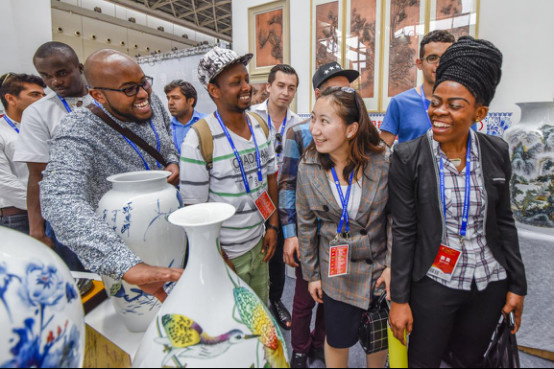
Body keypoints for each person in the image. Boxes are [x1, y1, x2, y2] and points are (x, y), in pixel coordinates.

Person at [388, 36, 527, 367]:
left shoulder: (496, 151)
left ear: (480, 112)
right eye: (436, 102)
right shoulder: (409, 156)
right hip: (435, 282)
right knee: (424, 360)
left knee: (469, 360)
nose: (439, 112)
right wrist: (399, 300)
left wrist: (517, 285)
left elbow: (504, 221)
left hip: (488, 281)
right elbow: (404, 230)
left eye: (454, 105)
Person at [40, 49, 182, 301]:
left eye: (143, 82)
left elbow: (167, 139)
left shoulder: (152, 101)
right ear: (98, 95)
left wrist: (171, 161)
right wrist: (122, 262)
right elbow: (59, 199)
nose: (142, 94)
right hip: (125, 248)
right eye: (129, 89)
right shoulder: (78, 130)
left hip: (169, 231)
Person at [297, 87, 391, 368]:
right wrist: (312, 274)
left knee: (377, 338)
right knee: (337, 338)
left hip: (377, 268)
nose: (315, 129)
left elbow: (395, 219)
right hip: (335, 271)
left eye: (325, 121)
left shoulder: (383, 161)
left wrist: (391, 266)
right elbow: (305, 225)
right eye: (314, 119)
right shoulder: (309, 166)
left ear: (351, 129)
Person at [180, 47, 280, 305]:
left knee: (260, 313)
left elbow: (270, 179)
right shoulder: (199, 139)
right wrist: (219, 259)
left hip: (259, 244)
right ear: (214, 91)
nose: (246, 87)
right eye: (236, 83)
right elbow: (195, 213)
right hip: (225, 255)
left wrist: (272, 226)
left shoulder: (260, 124)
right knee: (232, 323)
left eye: (245, 79)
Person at [278, 61, 359, 368]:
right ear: (316, 93)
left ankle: (320, 344)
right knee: (302, 299)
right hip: (308, 233)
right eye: (334, 88)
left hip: (341, 234)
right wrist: (290, 234)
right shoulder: (299, 132)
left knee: (333, 297)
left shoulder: (355, 129)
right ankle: (299, 348)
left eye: (346, 88)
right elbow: (287, 183)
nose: (342, 94)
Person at [14, 42, 93, 270]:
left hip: (111, 210)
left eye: (62, 73)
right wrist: (36, 229)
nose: (54, 82)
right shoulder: (37, 113)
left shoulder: (105, 100)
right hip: (67, 221)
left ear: (79, 67)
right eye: (46, 76)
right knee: (86, 289)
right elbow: (38, 175)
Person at [252, 64, 304, 331]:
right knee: (253, 250)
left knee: (278, 251)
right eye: (281, 86)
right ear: (269, 87)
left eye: (291, 87)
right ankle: (253, 301)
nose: (286, 92)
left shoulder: (300, 123)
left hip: (284, 198)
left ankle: (275, 299)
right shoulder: (250, 118)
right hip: (255, 195)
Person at [380, 30, 455, 147]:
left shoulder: (463, 105)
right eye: (433, 58)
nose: (439, 64)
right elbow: (382, 152)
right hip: (410, 165)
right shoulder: (400, 103)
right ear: (419, 64)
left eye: (446, 58)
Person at [0, 73, 46, 233]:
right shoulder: (2, 132)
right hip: (17, 218)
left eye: (43, 95)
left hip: (49, 213)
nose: (42, 99)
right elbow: (4, 183)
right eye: (35, 95)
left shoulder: (41, 128)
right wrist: (44, 206)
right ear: (11, 99)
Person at [164, 80, 206, 154]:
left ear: (190, 101)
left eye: (175, 98)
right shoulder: (165, 128)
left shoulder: (208, 122)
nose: (170, 103)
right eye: (168, 98)